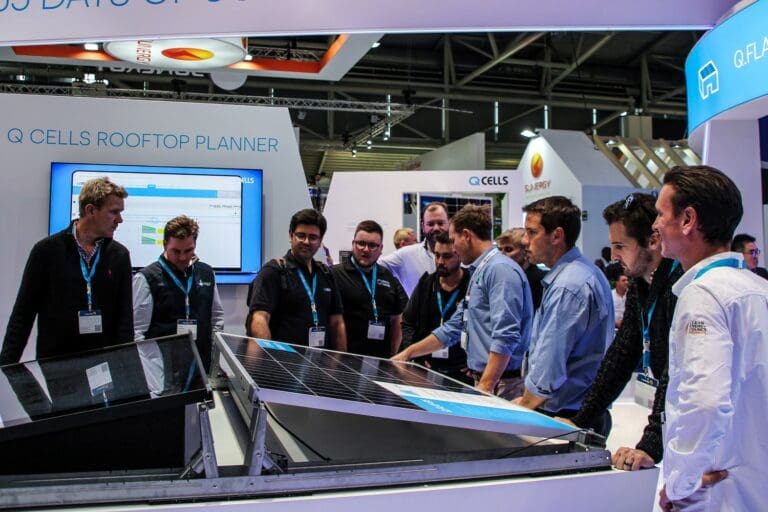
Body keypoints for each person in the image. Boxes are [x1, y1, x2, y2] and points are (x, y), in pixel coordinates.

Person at [653, 166, 768, 512]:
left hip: (717, 495)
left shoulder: (704, 295)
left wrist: (679, 483)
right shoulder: (758, 289)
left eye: (661, 214)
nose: (656, 225)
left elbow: (704, 401)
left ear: (688, 219)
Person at [566, 193, 683, 471]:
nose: (614, 256)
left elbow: (674, 368)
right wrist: (580, 420)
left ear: (652, 241)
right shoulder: (640, 282)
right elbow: (622, 353)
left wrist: (650, 445)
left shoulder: (678, 285)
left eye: (620, 245)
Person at [393, 204, 533, 399]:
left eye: (453, 240)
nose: (455, 249)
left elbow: (506, 335)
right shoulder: (481, 271)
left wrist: (485, 386)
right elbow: (454, 327)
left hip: (499, 384)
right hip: (489, 382)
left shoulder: (500, 270)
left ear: (466, 235)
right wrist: (408, 354)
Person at [1, 177, 133, 364]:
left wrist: (127, 367)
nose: (119, 220)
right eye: (114, 212)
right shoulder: (47, 251)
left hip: (104, 361)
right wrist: (7, 366)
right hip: (57, 362)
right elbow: (23, 313)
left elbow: (125, 318)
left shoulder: (119, 255)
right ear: (90, 210)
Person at [515, 196, 613, 431]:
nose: (525, 241)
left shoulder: (568, 286)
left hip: (563, 415)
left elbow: (550, 367)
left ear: (556, 235)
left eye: (531, 233)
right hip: (580, 410)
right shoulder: (585, 271)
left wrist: (523, 408)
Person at [132, 215, 224, 372]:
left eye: (188, 250)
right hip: (163, 368)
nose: (182, 257)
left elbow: (216, 320)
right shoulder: (146, 278)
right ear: (164, 245)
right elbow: (137, 332)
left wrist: (215, 362)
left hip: (201, 365)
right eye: (176, 251)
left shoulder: (206, 273)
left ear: (195, 244)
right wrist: (148, 372)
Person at [247, 209, 347, 350]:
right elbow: (260, 318)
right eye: (301, 236)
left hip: (319, 365)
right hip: (284, 364)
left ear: (320, 242)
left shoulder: (326, 274)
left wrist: (339, 363)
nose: (306, 242)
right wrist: (267, 362)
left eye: (313, 237)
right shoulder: (273, 272)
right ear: (291, 236)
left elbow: (337, 322)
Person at [402, 231, 471, 384]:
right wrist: (416, 356)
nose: (439, 261)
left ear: (459, 254)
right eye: (437, 255)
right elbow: (408, 323)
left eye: (447, 256)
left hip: (461, 373)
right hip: (427, 369)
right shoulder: (426, 283)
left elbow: (483, 328)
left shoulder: (472, 284)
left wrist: (475, 361)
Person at [332, 220, 408, 358]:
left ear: (381, 249)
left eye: (372, 245)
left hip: (381, 361)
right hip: (346, 360)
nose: (366, 249)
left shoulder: (388, 277)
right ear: (353, 244)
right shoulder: (335, 275)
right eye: (361, 243)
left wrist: (393, 355)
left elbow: (397, 319)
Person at [379, 202, 449, 296]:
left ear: (449, 223)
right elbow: (373, 266)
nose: (436, 228)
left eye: (440, 223)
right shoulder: (406, 255)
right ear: (422, 226)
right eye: (430, 224)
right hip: (418, 310)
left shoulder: (462, 254)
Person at [496, 228, 546, 311]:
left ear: (525, 251)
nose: (502, 255)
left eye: (508, 249)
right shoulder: (501, 276)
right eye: (500, 249)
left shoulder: (540, 280)